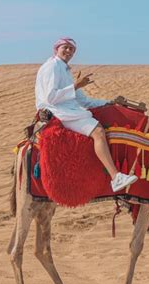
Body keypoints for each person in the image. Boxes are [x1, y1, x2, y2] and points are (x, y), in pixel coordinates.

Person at [35, 37, 138, 193]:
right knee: (98, 132)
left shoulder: (64, 69)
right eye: (66, 47)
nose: (69, 51)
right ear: (57, 49)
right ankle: (116, 177)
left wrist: (109, 102)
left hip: (69, 110)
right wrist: (76, 85)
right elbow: (51, 97)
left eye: (72, 49)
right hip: (58, 112)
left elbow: (83, 100)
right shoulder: (52, 66)